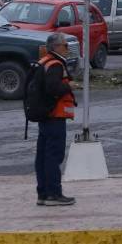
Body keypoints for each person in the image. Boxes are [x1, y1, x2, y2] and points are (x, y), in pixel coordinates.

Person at [36, 33, 77, 207]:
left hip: (44, 115)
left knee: (43, 156)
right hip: (54, 116)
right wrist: (69, 85)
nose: (67, 48)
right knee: (54, 156)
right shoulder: (55, 65)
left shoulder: (43, 62)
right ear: (56, 47)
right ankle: (53, 194)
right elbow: (53, 88)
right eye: (65, 45)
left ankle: (43, 194)